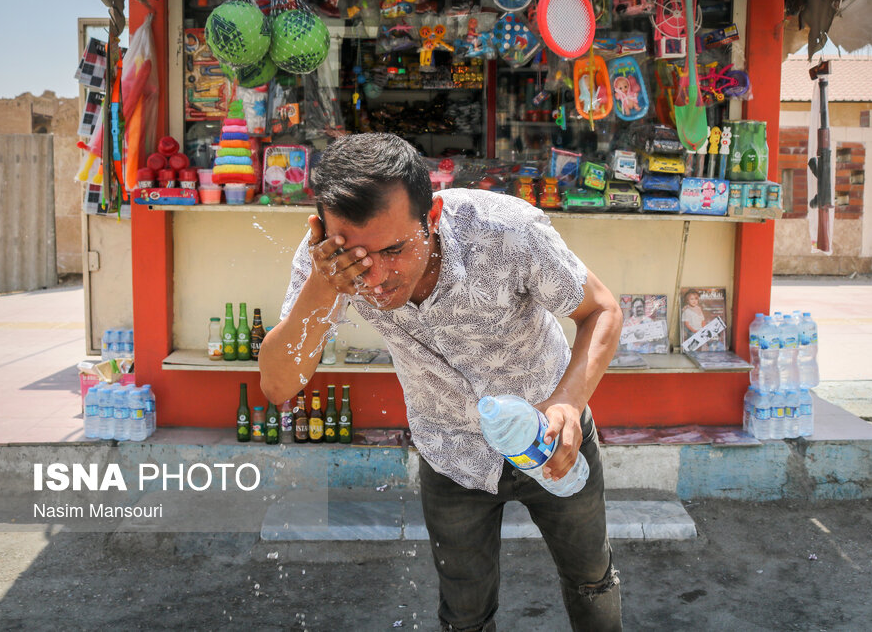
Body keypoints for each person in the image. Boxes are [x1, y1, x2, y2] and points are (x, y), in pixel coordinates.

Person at [260, 134, 623, 631]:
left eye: (393, 250)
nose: (376, 278)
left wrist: (567, 402)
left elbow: (601, 310)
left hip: (552, 435)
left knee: (590, 579)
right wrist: (324, 285)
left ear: (431, 218)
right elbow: (279, 385)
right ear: (323, 232)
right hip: (451, 454)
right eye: (357, 258)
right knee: (464, 614)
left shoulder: (503, 230)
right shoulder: (328, 264)